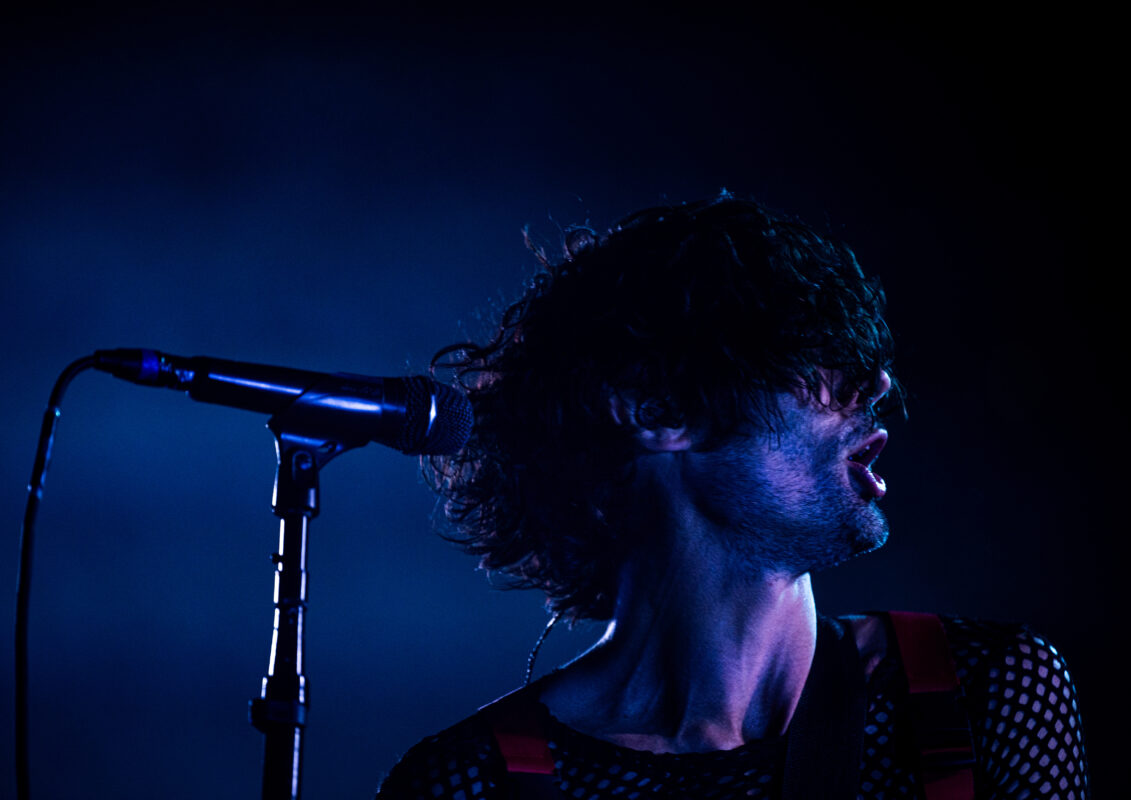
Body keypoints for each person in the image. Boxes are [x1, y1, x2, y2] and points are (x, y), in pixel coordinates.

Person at [376, 195, 1088, 799]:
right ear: (654, 407)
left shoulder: (975, 693)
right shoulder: (472, 782)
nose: (873, 389)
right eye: (810, 361)